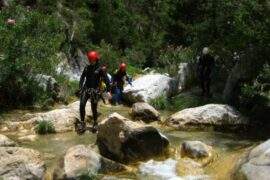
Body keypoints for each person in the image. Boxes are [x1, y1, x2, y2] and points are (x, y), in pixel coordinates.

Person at [75, 51, 110, 135]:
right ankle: (83, 123)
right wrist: (80, 88)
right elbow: (82, 78)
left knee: (93, 108)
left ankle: (95, 123)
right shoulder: (87, 68)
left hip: (95, 91)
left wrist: (107, 90)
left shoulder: (100, 69)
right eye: (89, 60)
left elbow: (106, 80)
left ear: (95, 59)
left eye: (92, 60)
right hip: (86, 89)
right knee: (82, 104)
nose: (90, 61)